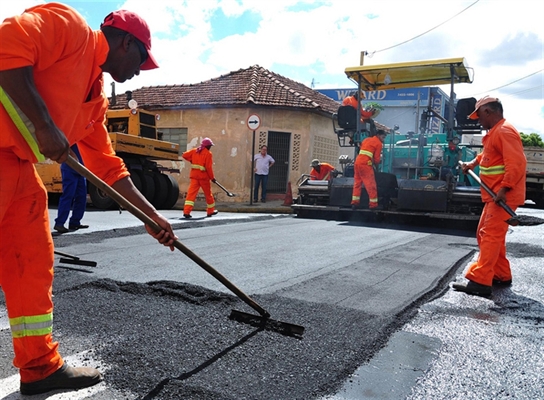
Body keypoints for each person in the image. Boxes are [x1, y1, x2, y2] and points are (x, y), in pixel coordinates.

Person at [0, 4, 177, 395]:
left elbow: (110, 170)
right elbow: (5, 49)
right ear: (127, 42)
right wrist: (45, 126)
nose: (139, 71)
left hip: (17, 168)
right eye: (141, 60)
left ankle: (39, 366)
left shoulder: (94, 103)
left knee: (32, 263)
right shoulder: (70, 27)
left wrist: (152, 219)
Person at [453, 96, 526, 297]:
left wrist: (505, 188)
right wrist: (472, 164)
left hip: (502, 196)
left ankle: (481, 280)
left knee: (490, 236)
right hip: (494, 196)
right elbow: (487, 155)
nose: (478, 121)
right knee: (487, 235)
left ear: (487, 111)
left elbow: (516, 162)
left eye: (479, 116)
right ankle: (500, 274)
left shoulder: (504, 131)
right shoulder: (495, 133)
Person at [54, 144, 89, 233]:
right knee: (68, 195)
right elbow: (64, 144)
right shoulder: (72, 133)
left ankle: (75, 221)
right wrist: (73, 156)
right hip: (70, 167)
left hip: (81, 169)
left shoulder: (83, 136)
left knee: (81, 196)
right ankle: (59, 223)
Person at [182, 137, 218, 218]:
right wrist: (212, 178)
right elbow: (208, 168)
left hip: (194, 177)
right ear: (207, 146)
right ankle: (210, 211)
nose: (210, 147)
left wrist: (191, 160)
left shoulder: (195, 151)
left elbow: (184, 155)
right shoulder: (208, 154)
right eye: (210, 146)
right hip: (204, 178)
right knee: (208, 195)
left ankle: (186, 211)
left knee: (191, 194)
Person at [351, 130, 387, 209]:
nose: (383, 139)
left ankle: (354, 203)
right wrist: (378, 163)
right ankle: (373, 205)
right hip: (365, 164)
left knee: (357, 183)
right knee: (371, 185)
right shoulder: (378, 143)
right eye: (383, 137)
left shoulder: (366, 140)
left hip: (357, 162)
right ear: (378, 135)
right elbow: (377, 159)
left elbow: (363, 150)